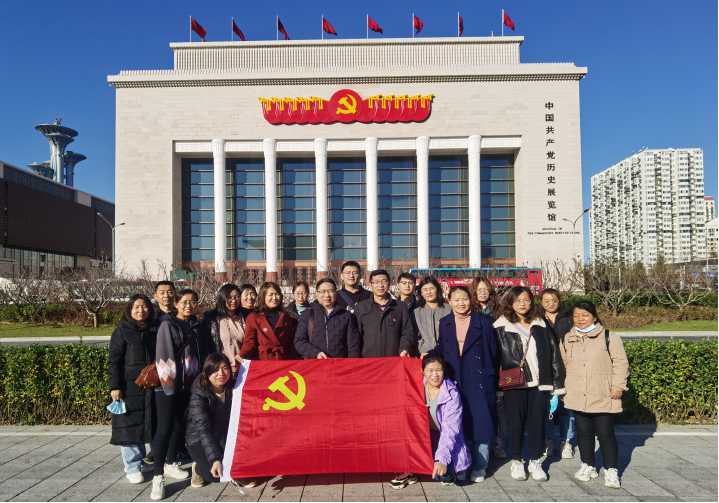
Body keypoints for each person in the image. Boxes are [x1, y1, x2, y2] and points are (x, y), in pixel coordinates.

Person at [494, 286, 565, 482]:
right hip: (513, 384)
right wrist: (496, 387)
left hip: (539, 384)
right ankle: (517, 461)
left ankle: (535, 461)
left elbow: (554, 353)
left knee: (537, 424)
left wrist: (557, 384)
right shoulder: (501, 326)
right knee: (514, 424)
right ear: (510, 302)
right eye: (518, 300)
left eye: (526, 300)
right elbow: (495, 358)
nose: (522, 304)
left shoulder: (540, 323)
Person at [430, 285, 497, 483]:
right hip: (455, 379)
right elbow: (442, 349)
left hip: (478, 379)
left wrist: (490, 378)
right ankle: (462, 465)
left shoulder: (484, 321)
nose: (461, 303)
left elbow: (493, 352)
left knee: (481, 424)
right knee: (458, 424)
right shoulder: (445, 322)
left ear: (471, 300)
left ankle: (480, 465)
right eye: (456, 299)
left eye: (465, 299)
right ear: (449, 301)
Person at [560, 301, 629, 489]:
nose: (580, 319)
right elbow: (564, 365)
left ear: (594, 317)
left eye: (585, 315)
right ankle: (587, 465)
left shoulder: (609, 337)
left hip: (602, 393)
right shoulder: (567, 338)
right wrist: (564, 388)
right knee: (583, 433)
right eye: (576, 315)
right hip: (577, 393)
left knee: (605, 434)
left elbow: (621, 363)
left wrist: (618, 386)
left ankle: (611, 470)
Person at [151, 288, 207, 500]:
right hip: (169, 386)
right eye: (184, 302)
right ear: (176, 304)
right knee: (164, 429)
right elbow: (163, 357)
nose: (188, 305)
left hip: (189, 386)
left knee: (178, 427)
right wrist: (170, 388)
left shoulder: (196, 325)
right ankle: (157, 477)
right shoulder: (168, 325)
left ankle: (170, 462)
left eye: (193, 302)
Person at [109, 294, 156, 484]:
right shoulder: (122, 331)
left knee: (146, 422)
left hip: (150, 385)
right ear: (130, 309)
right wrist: (115, 386)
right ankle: (132, 466)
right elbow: (114, 361)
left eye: (144, 306)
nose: (141, 310)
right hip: (129, 387)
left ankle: (143, 460)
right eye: (136, 307)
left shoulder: (154, 328)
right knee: (129, 425)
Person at [185, 353, 233, 489]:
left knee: (232, 467)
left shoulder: (233, 386)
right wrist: (215, 459)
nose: (221, 373)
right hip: (199, 438)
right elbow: (203, 430)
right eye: (215, 370)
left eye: (225, 368)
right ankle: (198, 468)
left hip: (223, 434)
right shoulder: (199, 393)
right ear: (207, 372)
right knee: (216, 476)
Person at [422, 355, 471, 486]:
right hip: (426, 436)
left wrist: (442, 459)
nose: (434, 375)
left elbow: (450, 429)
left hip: (446, 437)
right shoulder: (418, 387)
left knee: (452, 475)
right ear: (423, 372)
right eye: (430, 370)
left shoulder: (452, 394)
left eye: (438, 370)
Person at [540, 288, 576, 459]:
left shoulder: (569, 320)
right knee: (547, 408)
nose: (550, 303)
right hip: (545, 368)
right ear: (541, 303)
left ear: (559, 301)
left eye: (554, 300)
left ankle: (566, 441)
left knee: (566, 408)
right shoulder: (537, 319)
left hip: (567, 368)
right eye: (546, 301)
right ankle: (548, 440)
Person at [354, 269, 415, 358]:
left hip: (394, 359)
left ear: (389, 283)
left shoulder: (400, 307)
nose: (380, 285)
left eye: (384, 281)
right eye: (376, 282)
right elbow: (355, 337)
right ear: (370, 285)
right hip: (368, 360)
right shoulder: (361, 308)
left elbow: (407, 332)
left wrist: (404, 348)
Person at [294, 278, 361, 359]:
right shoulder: (308, 315)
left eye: (330, 291)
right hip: (314, 363)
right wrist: (315, 353)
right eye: (323, 291)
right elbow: (299, 341)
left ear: (336, 293)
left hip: (339, 364)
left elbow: (353, 346)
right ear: (317, 294)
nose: (327, 295)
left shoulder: (346, 316)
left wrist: (352, 364)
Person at [240, 282, 299, 360]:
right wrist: (241, 355)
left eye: (277, 294)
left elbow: (292, 342)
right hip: (263, 360)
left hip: (283, 359)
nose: (274, 298)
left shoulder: (287, 317)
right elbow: (249, 342)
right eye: (271, 295)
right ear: (263, 297)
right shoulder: (254, 317)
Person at [202, 283, 248, 375]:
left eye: (237, 297)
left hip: (244, 367)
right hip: (221, 369)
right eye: (229, 297)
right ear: (222, 298)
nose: (234, 300)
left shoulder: (246, 316)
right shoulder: (211, 318)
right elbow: (207, 345)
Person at [414, 276, 452, 357]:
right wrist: (421, 349)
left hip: (448, 353)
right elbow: (416, 336)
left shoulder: (449, 309)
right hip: (426, 354)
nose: (428, 292)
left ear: (437, 289)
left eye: (431, 288)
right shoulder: (417, 312)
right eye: (425, 290)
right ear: (421, 293)